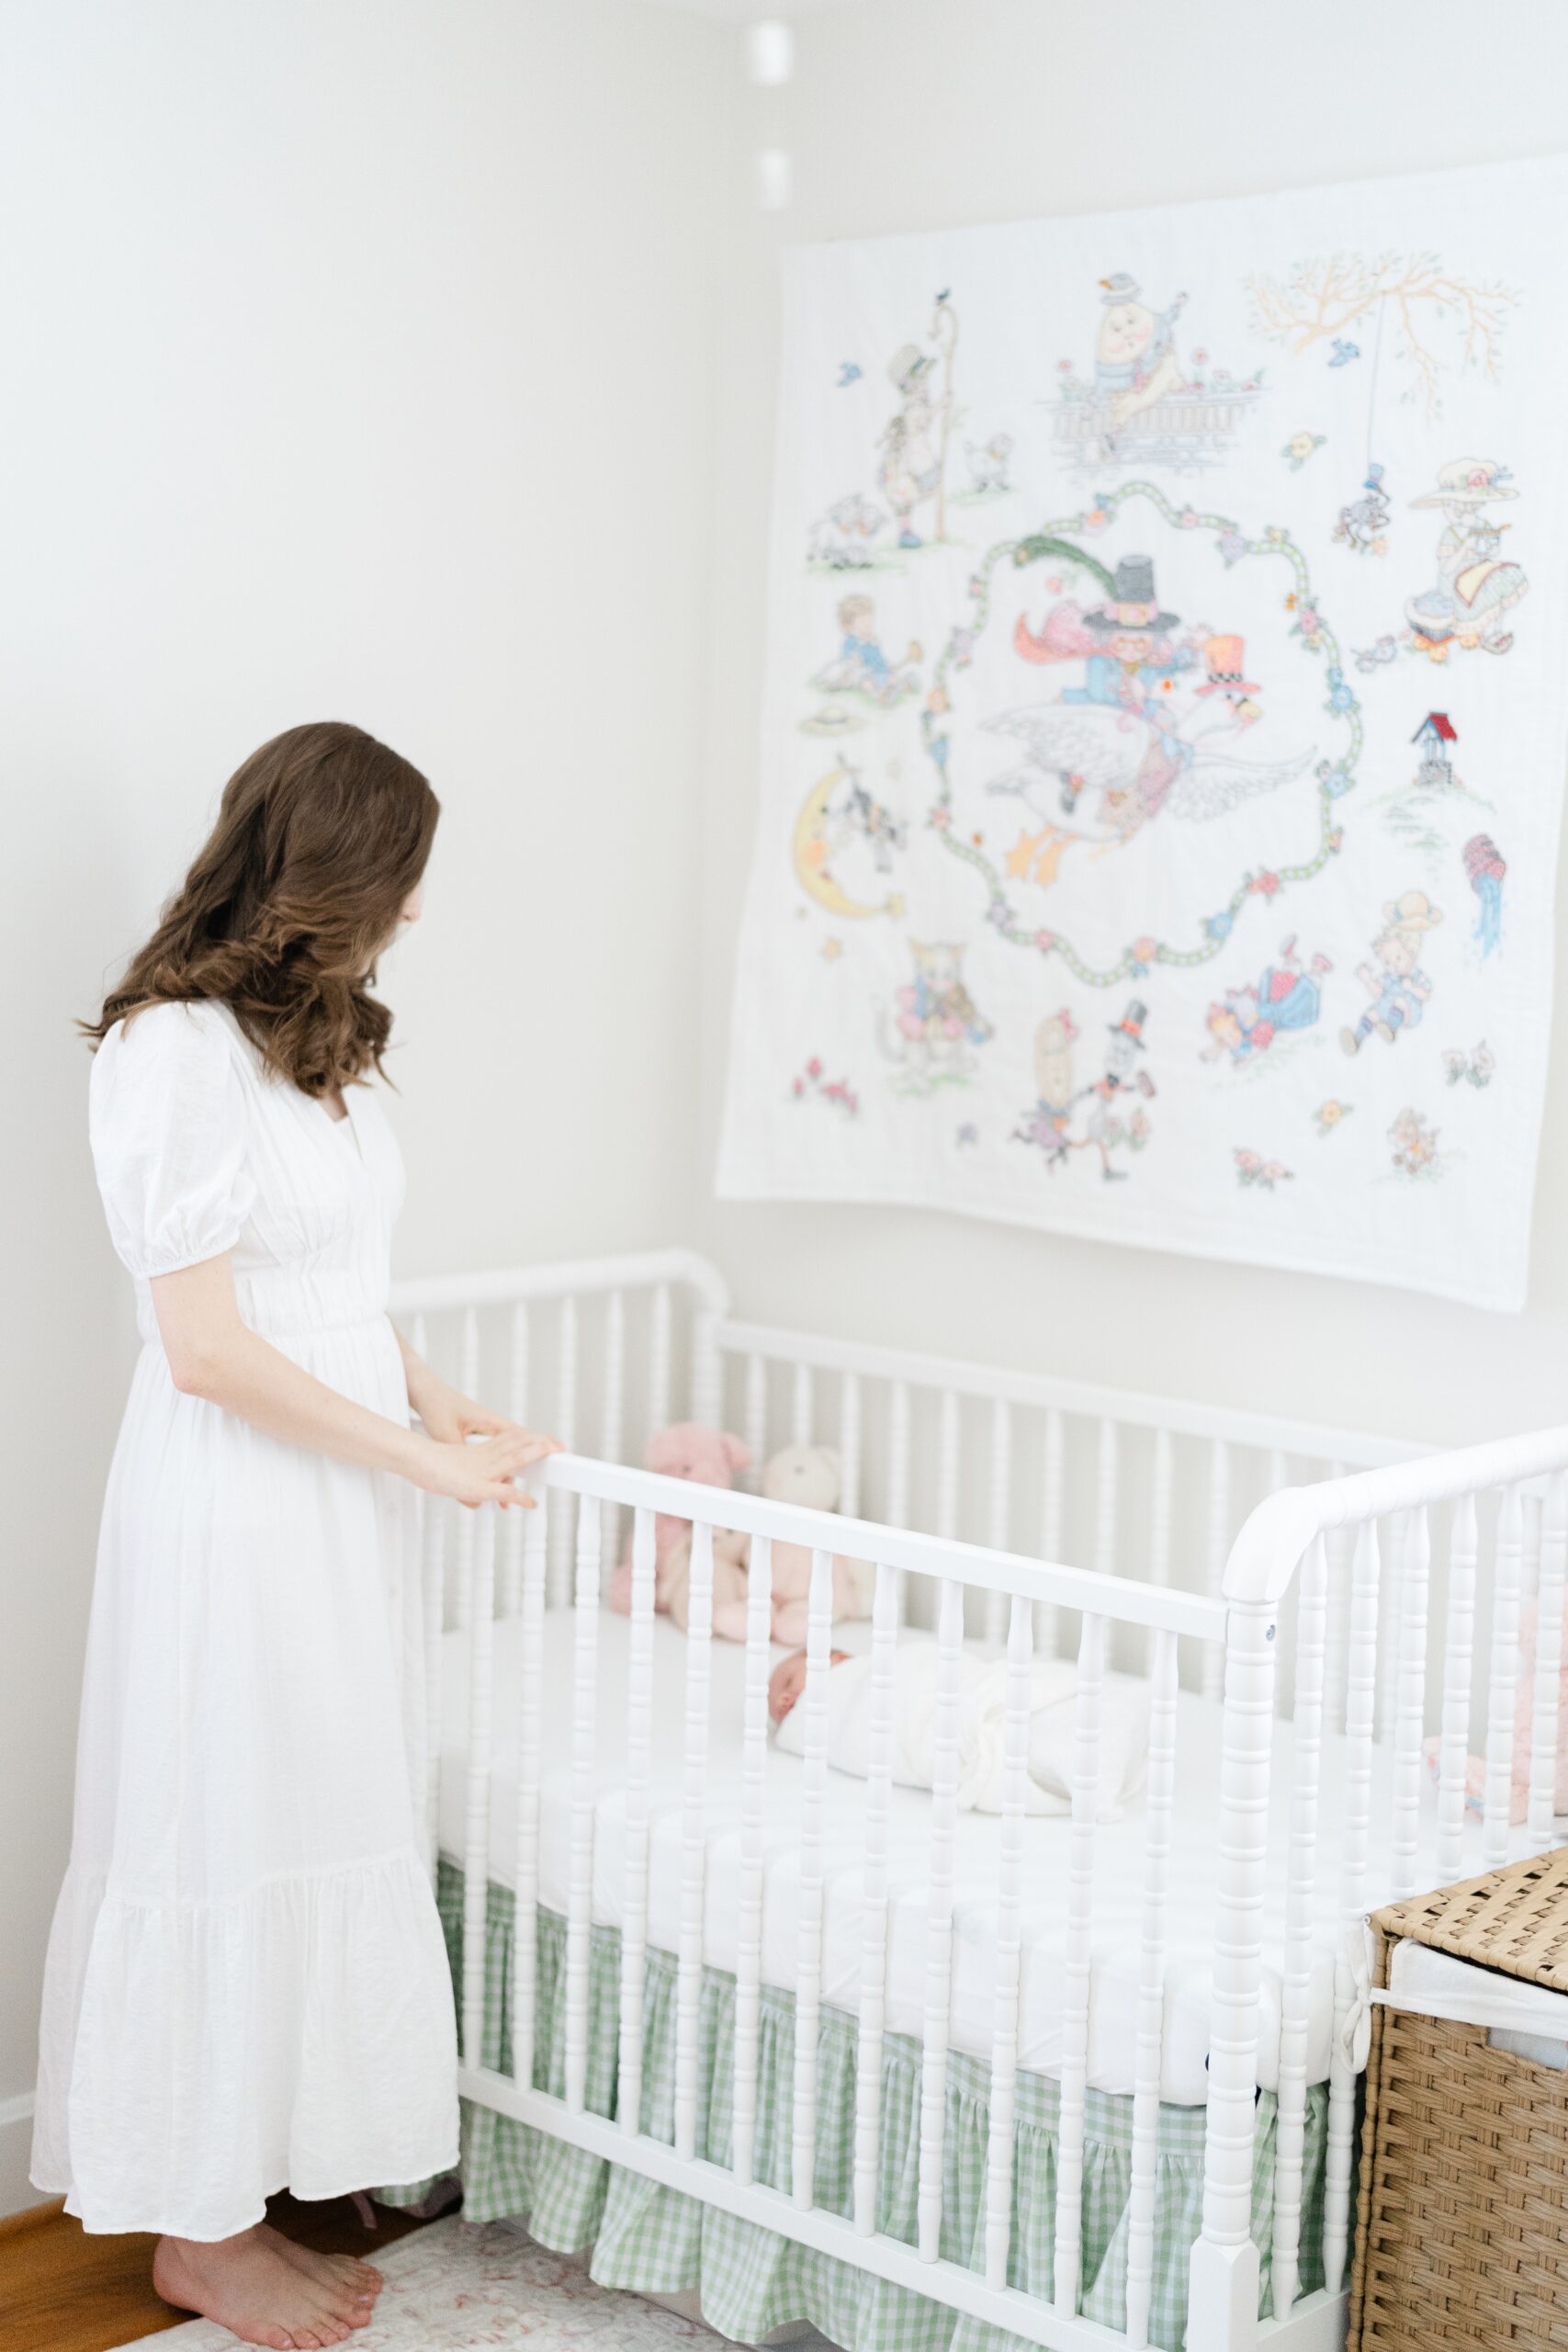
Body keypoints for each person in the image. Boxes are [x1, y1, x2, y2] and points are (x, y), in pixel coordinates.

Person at [31, 723, 560, 2349]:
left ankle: (261, 2180)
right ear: (330, 870)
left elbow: (330, 1292)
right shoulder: (171, 1052)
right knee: (218, 1815)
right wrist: (411, 1458)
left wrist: (440, 1402)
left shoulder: (309, 1044)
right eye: (400, 881)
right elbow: (206, 1347)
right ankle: (201, 2230)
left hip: (334, 1489)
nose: (413, 915)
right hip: (236, 1497)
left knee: (312, 1801)